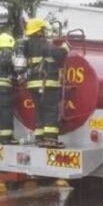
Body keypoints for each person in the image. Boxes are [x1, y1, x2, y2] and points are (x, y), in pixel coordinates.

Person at [23, 18, 69, 147]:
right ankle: (50, 139)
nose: (44, 31)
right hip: (47, 82)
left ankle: (39, 137)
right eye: (42, 29)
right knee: (50, 109)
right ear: (39, 31)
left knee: (39, 110)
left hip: (32, 83)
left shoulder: (26, 46)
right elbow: (59, 55)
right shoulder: (44, 44)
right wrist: (66, 47)